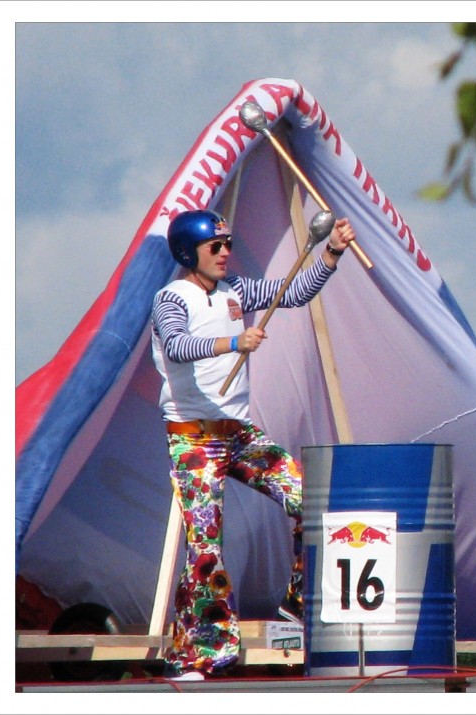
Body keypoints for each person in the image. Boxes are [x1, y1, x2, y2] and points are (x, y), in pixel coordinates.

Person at [151, 208, 355, 680]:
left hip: (237, 434)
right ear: (188, 253)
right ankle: (202, 653)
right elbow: (178, 346)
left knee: (315, 501)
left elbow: (297, 292)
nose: (226, 253)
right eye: (215, 247)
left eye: (227, 244)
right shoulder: (170, 299)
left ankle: (297, 606)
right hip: (193, 436)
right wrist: (233, 343)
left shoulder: (237, 290)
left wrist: (331, 252)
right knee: (205, 546)